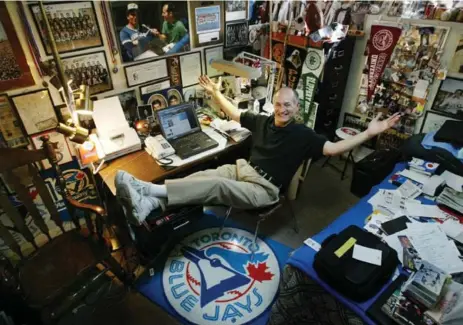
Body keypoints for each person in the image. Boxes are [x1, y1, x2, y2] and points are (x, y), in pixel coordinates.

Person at [115, 75, 401, 225]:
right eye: (279, 104)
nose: (282, 108)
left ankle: (149, 192)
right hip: (243, 170)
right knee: (207, 174)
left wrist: (368, 133)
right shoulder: (263, 121)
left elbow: (335, 148)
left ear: (297, 108)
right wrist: (216, 93)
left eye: (288, 104)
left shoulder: (304, 135)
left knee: (215, 185)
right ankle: (151, 203)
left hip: (264, 189)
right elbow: (234, 114)